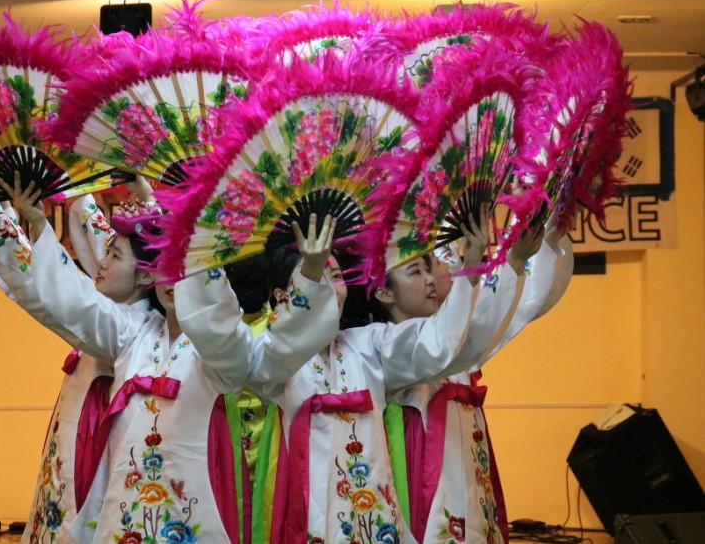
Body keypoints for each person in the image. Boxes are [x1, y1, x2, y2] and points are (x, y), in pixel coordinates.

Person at [0, 174, 340, 544]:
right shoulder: (132, 334)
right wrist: (38, 223)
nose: (172, 280)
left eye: (185, 269)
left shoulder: (221, 352)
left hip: (193, 522)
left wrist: (309, 273)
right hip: (123, 523)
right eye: (165, 267)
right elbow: (71, 302)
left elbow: (256, 343)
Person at [175, 211, 535, 544]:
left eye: (335, 276)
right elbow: (234, 336)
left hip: (375, 521)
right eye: (317, 277)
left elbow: (441, 343)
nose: (331, 289)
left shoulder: (370, 346)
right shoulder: (272, 360)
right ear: (285, 295)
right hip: (305, 519)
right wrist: (203, 240)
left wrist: (484, 263)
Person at [0, 179, 160, 544]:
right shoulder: (119, 310)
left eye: (114, 256)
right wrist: (80, 191)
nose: (101, 260)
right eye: (107, 250)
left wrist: (36, 223)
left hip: (90, 470)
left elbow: (61, 296)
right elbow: (54, 281)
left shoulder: (130, 329)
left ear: (147, 275)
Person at [377, 220, 572, 544]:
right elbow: (458, 335)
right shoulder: (389, 345)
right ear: (384, 292)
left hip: (470, 489)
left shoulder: (454, 343)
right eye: (417, 271)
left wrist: (548, 237)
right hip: (429, 495)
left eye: (430, 268)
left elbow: (520, 309)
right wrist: (512, 259)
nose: (431, 279)